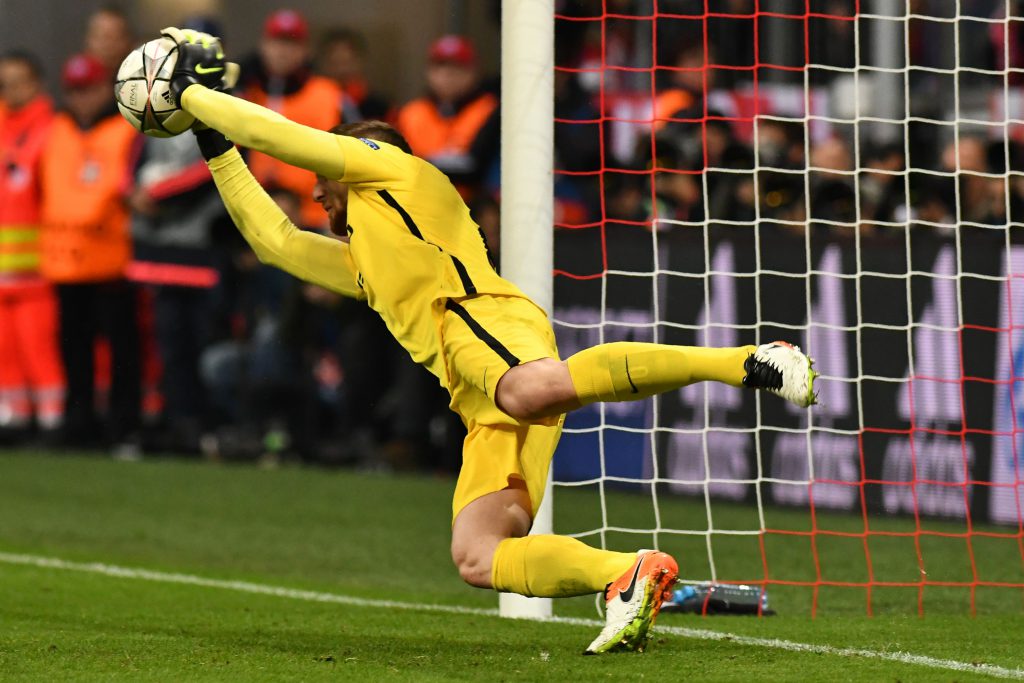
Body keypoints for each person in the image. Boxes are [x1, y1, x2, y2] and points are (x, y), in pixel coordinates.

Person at [162, 27, 818, 654]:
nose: (314, 190)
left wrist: (192, 94)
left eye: (325, 179)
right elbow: (273, 241)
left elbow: (284, 137)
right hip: (476, 394)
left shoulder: (395, 171)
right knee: (478, 554)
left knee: (532, 387)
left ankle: (750, 360)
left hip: (486, 322)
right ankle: (631, 570)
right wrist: (213, 141)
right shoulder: (365, 256)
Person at [39, 53, 141, 451]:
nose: (82, 98)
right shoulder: (56, 129)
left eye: (90, 89)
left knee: (121, 349)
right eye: (74, 90)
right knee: (73, 348)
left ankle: (123, 425)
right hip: (64, 260)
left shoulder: (126, 129)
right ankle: (78, 423)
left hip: (112, 259)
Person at [0, 51, 65, 440]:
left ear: (37, 83)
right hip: (3, 270)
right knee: (6, 355)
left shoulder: (50, 129)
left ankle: (52, 423)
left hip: (39, 269)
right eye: (4, 81)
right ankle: (13, 420)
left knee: (41, 351)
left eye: (17, 80)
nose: (9, 88)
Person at [237, 9, 345, 228]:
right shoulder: (247, 92)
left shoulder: (328, 94)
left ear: (305, 50)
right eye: (276, 42)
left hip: (316, 217)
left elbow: (352, 158)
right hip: (256, 213)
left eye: (291, 43)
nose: (282, 52)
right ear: (263, 46)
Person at [394, 35, 499, 198]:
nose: (448, 74)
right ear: (428, 72)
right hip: (417, 204)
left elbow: (477, 170)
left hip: (470, 208)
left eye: (458, 67)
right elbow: (396, 165)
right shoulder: (411, 112)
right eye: (440, 66)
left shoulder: (489, 109)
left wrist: (423, 165)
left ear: (474, 72)